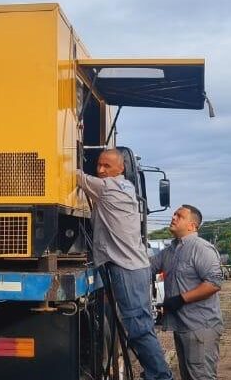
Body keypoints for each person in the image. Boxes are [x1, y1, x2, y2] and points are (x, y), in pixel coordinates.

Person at [77, 149, 173, 380]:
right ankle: (157, 373)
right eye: (99, 165)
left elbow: (76, 175)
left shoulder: (109, 188)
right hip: (133, 267)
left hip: (125, 268)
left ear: (121, 169)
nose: (100, 170)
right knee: (141, 324)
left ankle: (160, 376)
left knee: (138, 328)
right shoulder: (127, 187)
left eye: (107, 166)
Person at [150, 205, 223, 380]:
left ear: (192, 226)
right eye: (174, 214)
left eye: (179, 216)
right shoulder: (170, 251)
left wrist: (181, 299)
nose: (173, 217)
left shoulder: (201, 248)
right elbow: (147, 267)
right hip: (182, 327)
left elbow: (214, 283)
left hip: (200, 327)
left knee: (200, 376)